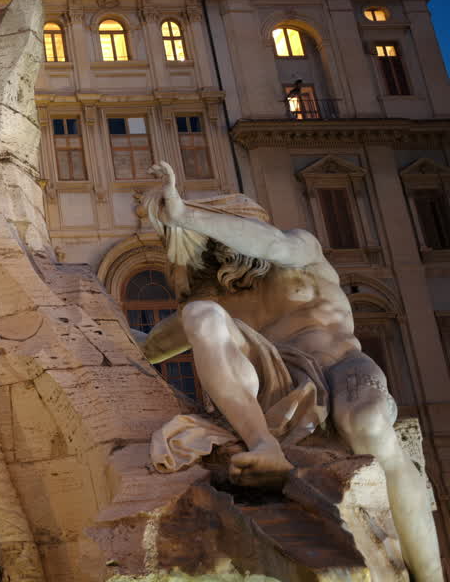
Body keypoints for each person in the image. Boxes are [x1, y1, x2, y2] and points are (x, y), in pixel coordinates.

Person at [140, 160, 441, 581]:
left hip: (341, 367)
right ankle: (265, 445)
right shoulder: (220, 299)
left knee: (369, 425)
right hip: (281, 384)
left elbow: (271, 244)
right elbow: (151, 348)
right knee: (199, 313)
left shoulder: (301, 252)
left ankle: (429, 576)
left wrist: (186, 214)